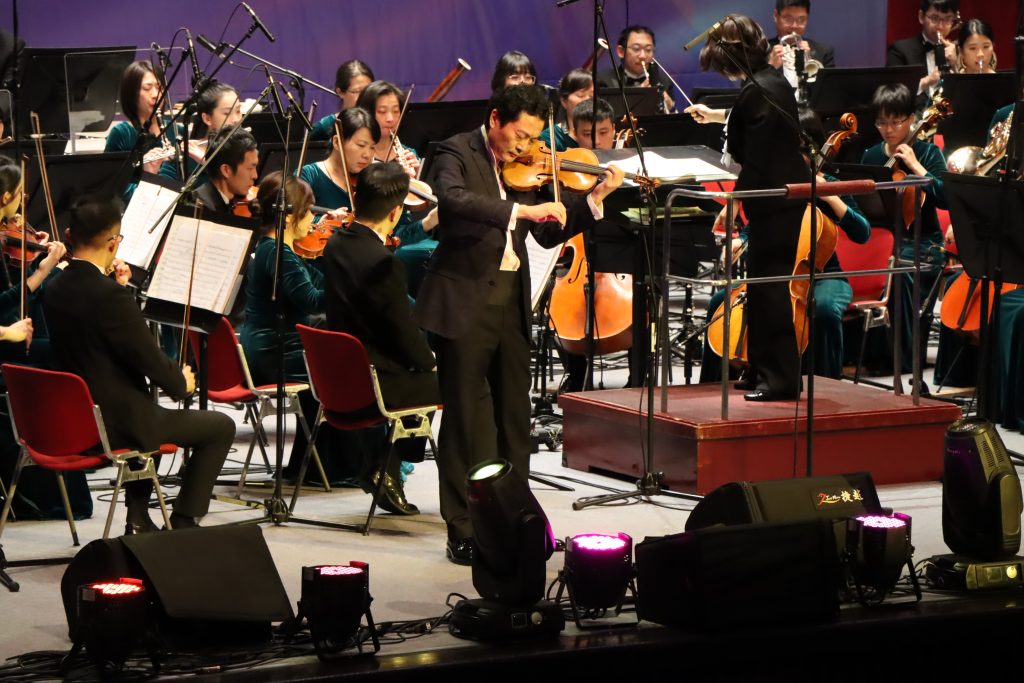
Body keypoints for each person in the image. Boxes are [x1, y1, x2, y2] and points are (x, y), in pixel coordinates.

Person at [415, 84, 624, 564]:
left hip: (511, 302)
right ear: (495, 119)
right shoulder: (454, 151)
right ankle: (461, 527)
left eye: (534, 138)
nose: (525, 147)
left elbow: (548, 233)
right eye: (520, 135)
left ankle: (516, 520)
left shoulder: (529, 166)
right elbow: (453, 201)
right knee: (464, 421)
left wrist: (594, 198)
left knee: (515, 417)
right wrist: (521, 209)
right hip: (464, 302)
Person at [44, 194, 234, 533]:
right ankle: (185, 520)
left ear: (70, 235)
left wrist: (116, 289)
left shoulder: (55, 287)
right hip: (117, 423)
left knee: (149, 412)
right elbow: (148, 358)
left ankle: (139, 516)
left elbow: (100, 336)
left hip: (74, 418)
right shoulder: (109, 296)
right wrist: (182, 383)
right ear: (112, 242)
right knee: (220, 426)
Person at [685, 15, 810, 401]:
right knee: (758, 288)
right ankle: (759, 370)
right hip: (774, 199)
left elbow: (748, 156)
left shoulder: (758, 91)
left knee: (770, 291)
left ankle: (780, 379)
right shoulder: (768, 83)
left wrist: (734, 200)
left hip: (775, 201)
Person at [699, 110, 870, 384]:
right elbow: (759, 225)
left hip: (825, 275)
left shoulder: (831, 184)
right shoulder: (779, 185)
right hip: (776, 274)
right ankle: (711, 384)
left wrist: (830, 196)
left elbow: (862, 232)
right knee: (720, 302)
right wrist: (741, 242)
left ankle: (827, 384)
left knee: (824, 310)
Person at [323, 161, 440, 514]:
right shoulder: (383, 261)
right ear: (394, 212)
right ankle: (388, 467)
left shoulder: (336, 243)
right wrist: (431, 361)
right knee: (452, 381)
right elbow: (402, 332)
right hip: (375, 381)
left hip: (338, 376)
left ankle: (386, 464)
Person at [858, 83, 947, 376]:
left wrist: (915, 165)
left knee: (900, 272)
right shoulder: (871, 156)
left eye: (896, 122)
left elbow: (945, 198)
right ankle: (867, 356)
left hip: (924, 243)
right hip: (883, 241)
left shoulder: (927, 152)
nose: (888, 129)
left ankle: (903, 361)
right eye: (881, 122)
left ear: (911, 119)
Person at [300, 107, 438, 294]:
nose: (367, 155)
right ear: (337, 142)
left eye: (372, 147)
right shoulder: (309, 176)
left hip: (370, 275)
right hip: (324, 281)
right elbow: (291, 224)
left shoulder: (372, 180)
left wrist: (428, 221)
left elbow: (395, 238)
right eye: (360, 145)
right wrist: (322, 222)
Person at [158, 81, 243, 186]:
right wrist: (151, 171)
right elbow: (162, 190)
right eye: (227, 113)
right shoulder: (186, 155)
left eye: (238, 111)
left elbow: (243, 188)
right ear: (207, 119)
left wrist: (208, 163)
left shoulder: (244, 150)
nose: (236, 119)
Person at [105, 60, 179, 173]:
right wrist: (145, 172)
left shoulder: (176, 130)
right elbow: (110, 180)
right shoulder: (122, 134)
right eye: (147, 88)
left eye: (159, 88)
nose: (155, 95)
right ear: (132, 93)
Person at [886, 0, 960, 101]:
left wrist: (956, 65)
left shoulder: (957, 51)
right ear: (921, 16)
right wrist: (927, 81)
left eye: (947, 19)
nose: (940, 26)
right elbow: (892, 96)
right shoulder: (900, 50)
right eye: (934, 18)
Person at [599, 25, 675, 113]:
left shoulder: (664, 81)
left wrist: (670, 107)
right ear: (621, 51)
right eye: (636, 49)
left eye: (648, 49)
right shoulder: (604, 81)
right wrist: (640, 92)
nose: (643, 56)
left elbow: (673, 117)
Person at [191, 125, 259, 216]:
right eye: (250, 168)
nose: (255, 176)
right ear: (226, 170)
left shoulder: (225, 202)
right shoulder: (202, 210)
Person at [767, 0, 836, 88]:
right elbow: (752, 91)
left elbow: (830, 90)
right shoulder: (761, 51)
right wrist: (770, 67)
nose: (794, 26)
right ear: (776, 16)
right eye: (788, 19)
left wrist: (809, 59)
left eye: (801, 19)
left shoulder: (824, 52)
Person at [310, 59, 374, 141]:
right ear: (340, 92)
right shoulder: (326, 125)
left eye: (368, 90)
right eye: (358, 91)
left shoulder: (378, 121)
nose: (365, 96)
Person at [539, 69, 594, 152]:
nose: (588, 100)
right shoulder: (550, 138)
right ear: (564, 101)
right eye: (581, 95)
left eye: (592, 96)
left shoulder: (604, 132)